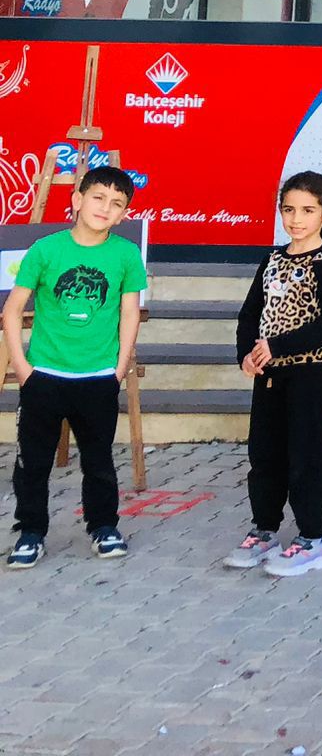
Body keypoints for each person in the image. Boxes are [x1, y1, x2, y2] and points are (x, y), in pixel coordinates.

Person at [5, 165, 145, 568]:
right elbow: (13, 310)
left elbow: (129, 313)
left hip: (98, 377)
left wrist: (119, 367)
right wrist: (22, 366)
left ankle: (103, 526)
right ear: (77, 200)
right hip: (44, 376)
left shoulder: (125, 254)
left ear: (124, 214)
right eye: (98, 197)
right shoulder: (45, 250)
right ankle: (31, 531)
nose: (105, 208)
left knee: (99, 461)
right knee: (33, 463)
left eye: (116, 203)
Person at [224, 172, 322, 578]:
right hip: (269, 377)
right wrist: (246, 354)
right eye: (289, 209)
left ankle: (314, 537)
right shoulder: (273, 259)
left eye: (308, 211)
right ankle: (265, 529)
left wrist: (278, 346)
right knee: (264, 454)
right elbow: (250, 313)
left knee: (305, 455)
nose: (296, 219)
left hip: (308, 375)